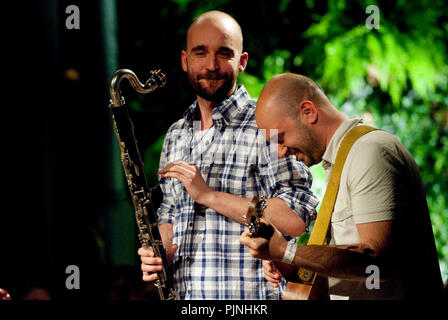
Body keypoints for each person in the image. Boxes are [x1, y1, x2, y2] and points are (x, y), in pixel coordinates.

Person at [137, 12, 318, 299]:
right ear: (185, 60)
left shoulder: (268, 125)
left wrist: (208, 195)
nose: (211, 65)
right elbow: (170, 213)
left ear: (242, 61)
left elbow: (295, 216)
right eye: (201, 53)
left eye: (224, 53)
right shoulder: (176, 134)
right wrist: (158, 252)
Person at [240, 73, 445, 299]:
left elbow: (377, 263)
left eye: (281, 138)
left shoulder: (370, 151)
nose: (280, 151)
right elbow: (341, 271)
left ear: (308, 111)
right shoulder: (340, 162)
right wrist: (280, 257)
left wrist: (287, 251)